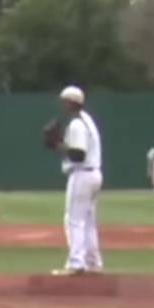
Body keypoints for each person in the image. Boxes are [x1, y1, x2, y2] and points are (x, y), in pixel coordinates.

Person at [51, 86, 104, 276]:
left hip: (82, 174)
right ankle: (93, 262)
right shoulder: (88, 120)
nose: (62, 104)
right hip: (94, 174)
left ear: (71, 102)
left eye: (64, 100)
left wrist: (59, 146)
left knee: (73, 220)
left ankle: (76, 263)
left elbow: (78, 154)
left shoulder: (76, 124)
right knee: (88, 220)